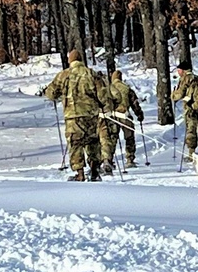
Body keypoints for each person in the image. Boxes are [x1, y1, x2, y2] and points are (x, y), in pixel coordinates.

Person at [43, 49, 106, 181]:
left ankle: (80, 173)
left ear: (70, 60)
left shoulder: (64, 75)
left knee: (75, 143)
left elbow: (51, 93)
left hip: (73, 116)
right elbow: (103, 96)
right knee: (93, 142)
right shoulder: (91, 74)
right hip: (91, 115)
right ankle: (94, 170)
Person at [108, 70, 145, 168]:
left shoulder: (109, 88)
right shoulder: (127, 88)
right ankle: (130, 159)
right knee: (129, 138)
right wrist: (139, 114)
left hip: (113, 116)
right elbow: (135, 104)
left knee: (112, 139)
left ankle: (109, 160)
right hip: (125, 115)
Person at [171, 60, 198, 160]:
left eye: (179, 70)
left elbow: (180, 94)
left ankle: (192, 153)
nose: (178, 72)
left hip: (190, 109)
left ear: (183, 71)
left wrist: (173, 96)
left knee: (191, 131)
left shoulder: (184, 80)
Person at [94, 69, 117, 175]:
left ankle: (96, 163)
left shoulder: (91, 85)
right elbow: (117, 95)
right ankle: (107, 161)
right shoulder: (108, 85)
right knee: (106, 139)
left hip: (96, 115)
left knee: (96, 140)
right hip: (108, 115)